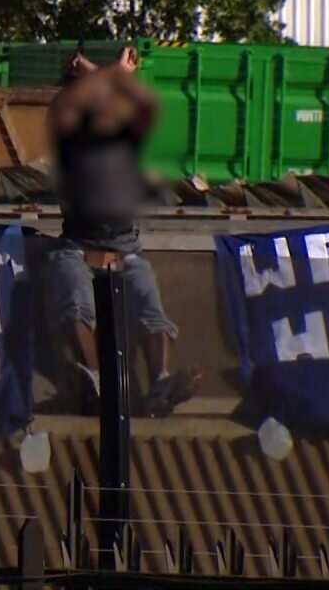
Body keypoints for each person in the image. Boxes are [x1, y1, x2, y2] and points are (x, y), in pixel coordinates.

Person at [45, 47, 199, 417]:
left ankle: (160, 380)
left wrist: (107, 72)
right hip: (79, 248)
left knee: (149, 301)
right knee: (74, 296)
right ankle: (95, 380)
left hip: (125, 250)